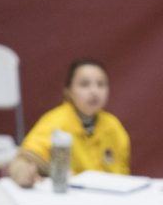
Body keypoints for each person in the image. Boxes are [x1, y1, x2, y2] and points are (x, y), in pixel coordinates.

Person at [7, 59, 130, 188]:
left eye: (101, 84)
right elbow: (24, 158)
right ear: (68, 91)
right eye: (84, 84)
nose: (94, 91)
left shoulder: (114, 127)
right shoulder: (57, 121)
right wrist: (22, 171)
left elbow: (123, 175)